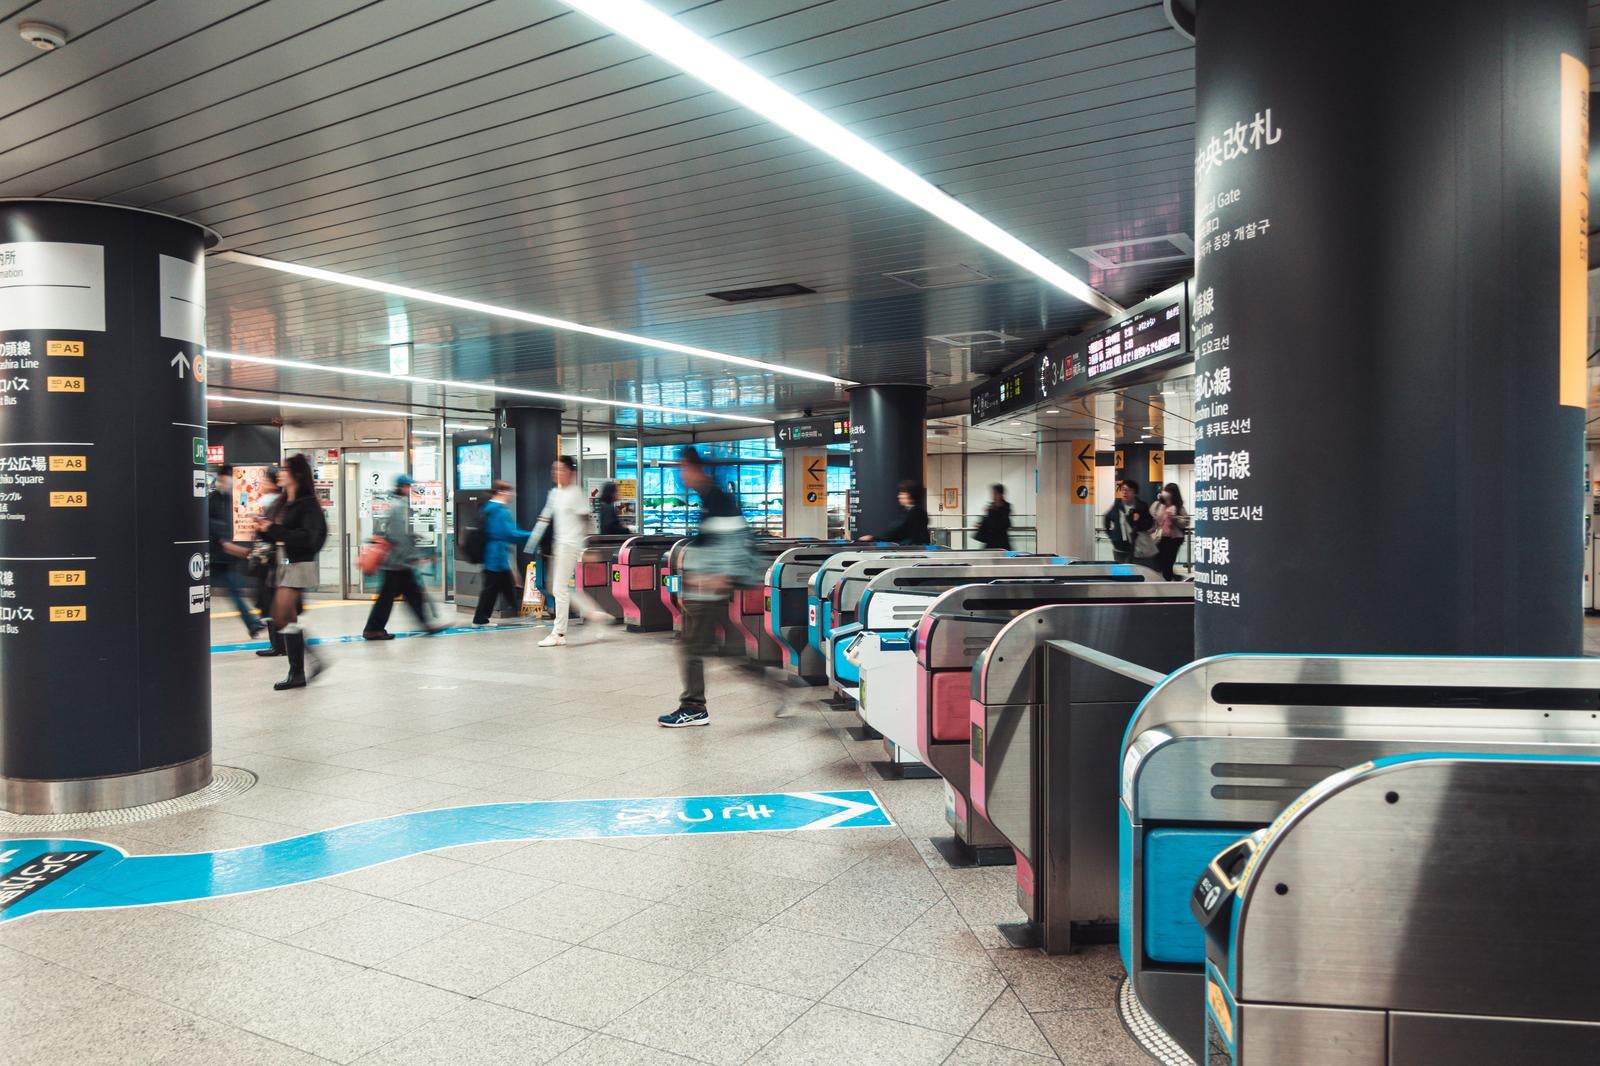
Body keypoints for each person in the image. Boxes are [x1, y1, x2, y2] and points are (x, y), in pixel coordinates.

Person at [662, 446, 751, 727]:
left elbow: (736, 539)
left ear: (693, 468)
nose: (680, 475)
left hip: (710, 589)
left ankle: (694, 707)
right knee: (723, 651)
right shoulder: (708, 498)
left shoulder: (718, 498)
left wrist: (720, 577)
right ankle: (782, 685)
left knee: (690, 647)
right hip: (703, 587)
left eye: (682, 468)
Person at [254, 454, 328, 690]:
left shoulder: (308, 504)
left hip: (299, 565)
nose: (280, 473)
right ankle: (304, 668)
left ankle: (301, 669)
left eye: (285, 469)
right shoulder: (285, 502)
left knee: (280, 615)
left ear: (296, 474)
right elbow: (280, 534)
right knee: (284, 618)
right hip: (284, 564)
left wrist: (273, 529)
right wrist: (265, 529)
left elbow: (308, 538)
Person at [532, 456, 609, 647]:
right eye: (554, 469)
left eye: (560, 469)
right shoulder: (555, 494)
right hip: (559, 546)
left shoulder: (575, 493)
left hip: (570, 546)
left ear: (570, 472)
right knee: (558, 588)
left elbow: (586, 519)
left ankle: (558, 633)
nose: (555, 472)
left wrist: (587, 548)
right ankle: (593, 613)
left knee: (559, 589)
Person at [362, 474, 446, 640]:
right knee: (387, 599)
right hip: (395, 563)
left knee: (413, 595)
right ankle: (373, 629)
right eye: (409, 487)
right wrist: (417, 555)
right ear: (402, 487)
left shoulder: (396, 505)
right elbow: (399, 536)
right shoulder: (399, 506)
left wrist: (414, 538)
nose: (411, 490)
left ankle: (426, 624)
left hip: (398, 562)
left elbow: (399, 533)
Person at [208, 466, 264, 639]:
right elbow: (218, 534)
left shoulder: (228, 499)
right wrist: (242, 551)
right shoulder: (212, 501)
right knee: (234, 591)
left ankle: (253, 623)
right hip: (216, 557)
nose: (230, 482)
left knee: (235, 591)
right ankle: (253, 623)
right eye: (227, 478)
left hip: (225, 558)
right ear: (221, 479)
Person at [471, 479, 533, 627]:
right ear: (501, 492)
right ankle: (480, 618)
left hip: (494, 555)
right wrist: (531, 535)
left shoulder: (489, 508)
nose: (512, 494)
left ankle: (516, 612)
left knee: (504, 585)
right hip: (496, 557)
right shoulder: (499, 511)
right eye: (510, 491)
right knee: (491, 588)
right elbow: (508, 533)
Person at [251, 465, 285, 656]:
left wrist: (261, 525)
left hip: (269, 560)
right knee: (272, 602)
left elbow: (268, 532)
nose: (262, 484)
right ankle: (280, 644)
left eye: (265, 480)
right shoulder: (279, 502)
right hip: (274, 559)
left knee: (270, 602)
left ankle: (278, 645)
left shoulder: (269, 502)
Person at [857, 480, 930, 545]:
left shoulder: (916, 513)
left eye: (902, 493)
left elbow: (898, 532)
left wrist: (874, 538)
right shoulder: (910, 511)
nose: (899, 496)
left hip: (911, 552)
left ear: (911, 495)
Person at [1103, 479, 1156, 565]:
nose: (1125, 492)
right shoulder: (1117, 506)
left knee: (1135, 572)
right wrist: (1112, 535)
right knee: (1120, 573)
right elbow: (1107, 518)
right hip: (1119, 546)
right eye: (1123, 489)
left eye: (1129, 490)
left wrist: (1138, 522)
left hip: (1136, 547)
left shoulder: (1141, 506)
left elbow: (1149, 523)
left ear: (1135, 493)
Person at [1151, 482, 1189, 580]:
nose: (1166, 493)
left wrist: (1175, 518)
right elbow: (1153, 518)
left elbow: (1185, 522)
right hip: (1160, 538)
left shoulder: (1179, 507)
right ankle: (1165, 580)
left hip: (1174, 539)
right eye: (1165, 490)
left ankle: (1167, 582)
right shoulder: (1158, 505)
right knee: (1159, 562)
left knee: (1168, 562)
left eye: (1168, 491)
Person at [974, 483, 1012, 550]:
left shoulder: (1006, 507)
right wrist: (981, 524)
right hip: (991, 541)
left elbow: (1003, 524)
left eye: (995, 493)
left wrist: (993, 511)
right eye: (993, 493)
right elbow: (988, 520)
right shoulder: (991, 506)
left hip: (1001, 541)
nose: (993, 496)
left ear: (1000, 494)